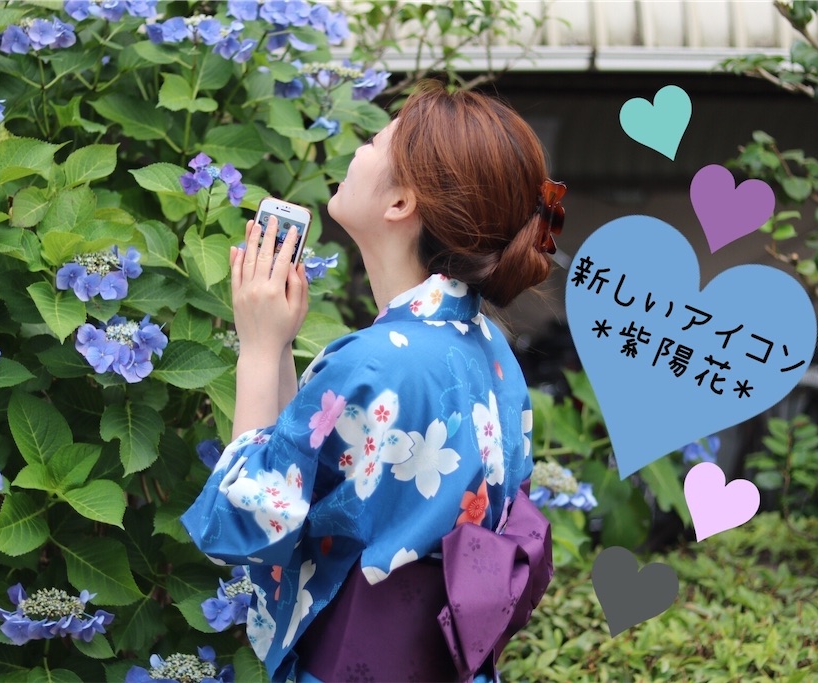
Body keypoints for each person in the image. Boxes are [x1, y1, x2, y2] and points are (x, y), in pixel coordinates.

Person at [181, 80, 563, 682]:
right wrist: (280, 345)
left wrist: (257, 348)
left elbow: (249, 522)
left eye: (374, 142)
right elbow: (311, 480)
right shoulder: (488, 349)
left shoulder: (376, 362)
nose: (358, 150)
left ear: (401, 202)